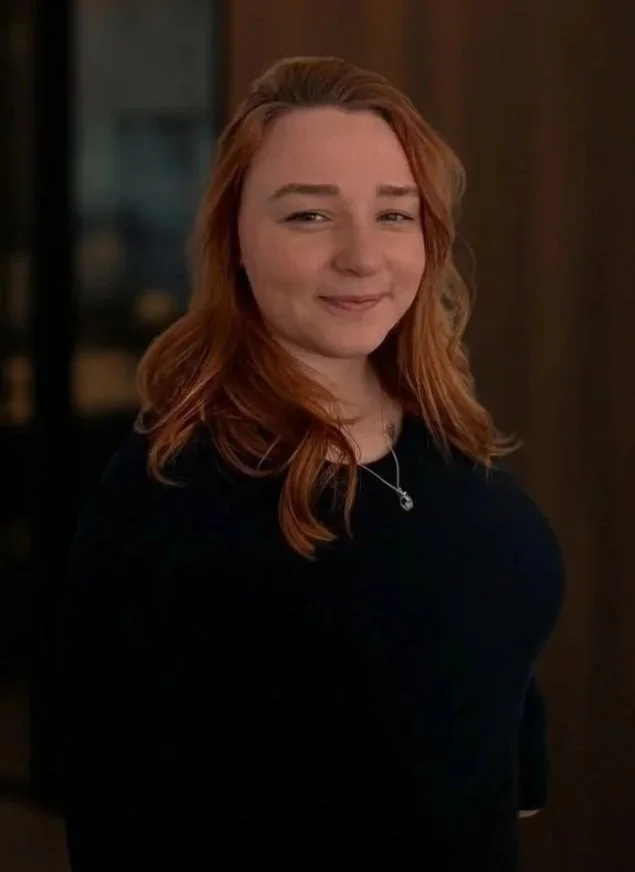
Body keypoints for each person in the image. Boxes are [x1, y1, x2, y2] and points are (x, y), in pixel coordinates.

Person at [56, 56, 565, 871]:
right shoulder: (172, 494)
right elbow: (116, 798)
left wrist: (517, 769)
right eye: (308, 217)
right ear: (235, 242)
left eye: (394, 215)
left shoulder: (434, 419)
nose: (363, 257)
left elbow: (481, 612)